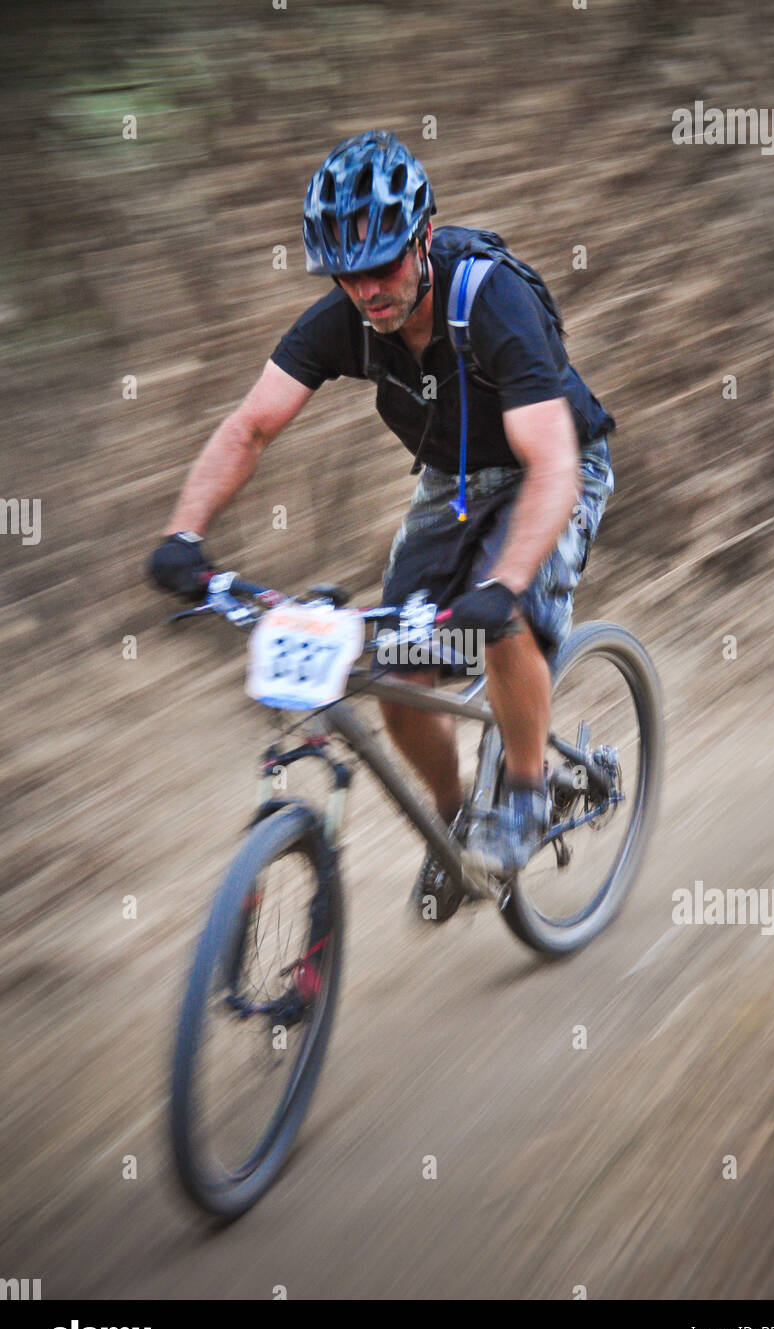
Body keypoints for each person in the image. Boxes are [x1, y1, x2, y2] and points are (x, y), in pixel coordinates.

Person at [149, 129, 615, 917]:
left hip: (553, 465)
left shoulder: (488, 301)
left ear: (423, 239)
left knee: (501, 619)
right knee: (397, 670)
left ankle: (530, 792)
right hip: (454, 481)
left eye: (383, 264)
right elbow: (249, 427)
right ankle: (456, 821)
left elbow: (553, 464)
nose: (366, 290)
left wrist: (501, 585)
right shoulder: (345, 320)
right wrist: (185, 535)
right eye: (346, 274)